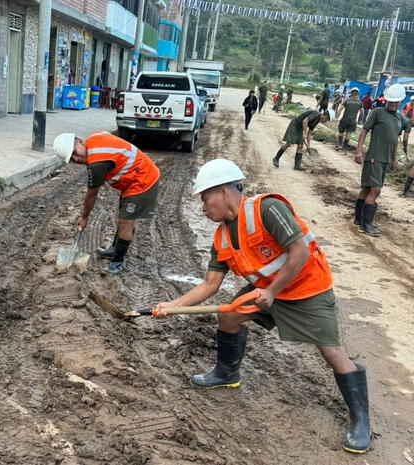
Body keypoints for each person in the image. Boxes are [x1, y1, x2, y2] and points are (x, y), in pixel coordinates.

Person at [153, 159, 371, 454]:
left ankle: (361, 421)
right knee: (229, 318)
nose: (203, 209)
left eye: (205, 199)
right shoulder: (221, 237)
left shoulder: (266, 209)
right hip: (267, 291)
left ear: (224, 192)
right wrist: (173, 305)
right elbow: (209, 285)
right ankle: (227, 373)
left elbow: (300, 250)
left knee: (332, 352)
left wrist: (271, 290)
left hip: (306, 288)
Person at [53, 131, 159, 275]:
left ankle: (117, 263)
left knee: (125, 222)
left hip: (142, 180)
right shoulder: (94, 138)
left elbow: (92, 194)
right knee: (124, 216)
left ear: (79, 142)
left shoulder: (96, 161)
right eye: (72, 158)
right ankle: (115, 250)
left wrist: (84, 217)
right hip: (133, 177)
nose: (76, 158)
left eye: (74, 152)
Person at [354, 84, 412, 236]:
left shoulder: (399, 119)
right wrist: (359, 151)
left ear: (400, 102)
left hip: (385, 160)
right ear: (386, 100)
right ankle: (366, 224)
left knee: (367, 188)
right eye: (389, 102)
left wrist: (393, 160)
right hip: (374, 157)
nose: (392, 105)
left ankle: (358, 219)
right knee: (376, 190)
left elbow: (394, 141)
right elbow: (364, 131)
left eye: (395, 102)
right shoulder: (378, 112)